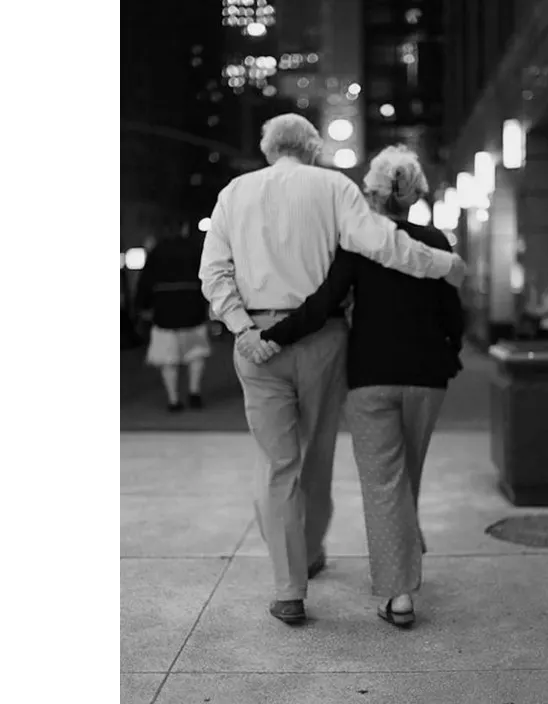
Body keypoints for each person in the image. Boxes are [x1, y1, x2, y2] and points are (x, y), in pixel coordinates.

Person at [198, 113, 466, 625]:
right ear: (314, 148)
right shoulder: (333, 187)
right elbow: (383, 243)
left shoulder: (234, 192)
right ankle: (312, 548)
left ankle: (289, 587)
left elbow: (214, 271)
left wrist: (242, 328)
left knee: (276, 464)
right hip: (321, 341)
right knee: (316, 455)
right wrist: (443, 264)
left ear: (267, 148)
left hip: (256, 340)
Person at [138, 226, 212, 411]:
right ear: (185, 229)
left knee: (167, 358)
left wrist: (143, 305)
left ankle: (173, 400)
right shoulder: (196, 249)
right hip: (193, 308)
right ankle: (194, 392)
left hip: (164, 312)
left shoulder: (157, 251)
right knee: (196, 353)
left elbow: (145, 281)